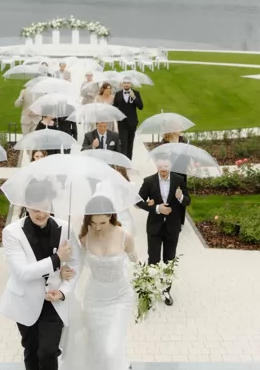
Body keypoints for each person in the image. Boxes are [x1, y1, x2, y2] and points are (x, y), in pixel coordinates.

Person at [0, 179, 81, 370]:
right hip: (25, 301)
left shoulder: (66, 228)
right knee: (31, 349)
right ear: (26, 206)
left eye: (44, 207)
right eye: (35, 208)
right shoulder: (11, 232)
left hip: (54, 301)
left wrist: (63, 291)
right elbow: (23, 272)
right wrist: (57, 260)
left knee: (48, 351)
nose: (41, 213)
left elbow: (76, 263)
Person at [60, 195, 138, 370]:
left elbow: (135, 262)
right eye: (93, 223)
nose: (97, 227)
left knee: (111, 347)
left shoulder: (125, 237)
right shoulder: (85, 237)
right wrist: (64, 269)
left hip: (120, 298)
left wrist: (149, 279)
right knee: (98, 345)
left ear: (110, 216)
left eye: (102, 223)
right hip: (94, 299)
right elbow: (77, 264)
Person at [135, 157, 191, 306]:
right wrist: (156, 208)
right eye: (160, 167)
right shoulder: (149, 181)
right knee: (153, 259)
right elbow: (138, 201)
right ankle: (150, 290)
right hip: (155, 227)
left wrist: (180, 197)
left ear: (170, 167)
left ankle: (166, 291)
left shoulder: (179, 180)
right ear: (157, 167)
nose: (163, 169)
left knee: (169, 260)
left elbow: (188, 201)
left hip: (172, 227)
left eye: (166, 166)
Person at [113, 78, 143, 160]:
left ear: (131, 84)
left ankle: (129, 161)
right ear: (122, 84)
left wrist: (134, 98)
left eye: (128, 83)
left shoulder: (136, 93)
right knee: (123, 144)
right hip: (122, 123)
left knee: (130, 144)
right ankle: (124, 162)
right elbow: (114, 107)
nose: (126, 84)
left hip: (132, 123)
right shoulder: (118, 94)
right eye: (125, 83)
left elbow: (141, 106)